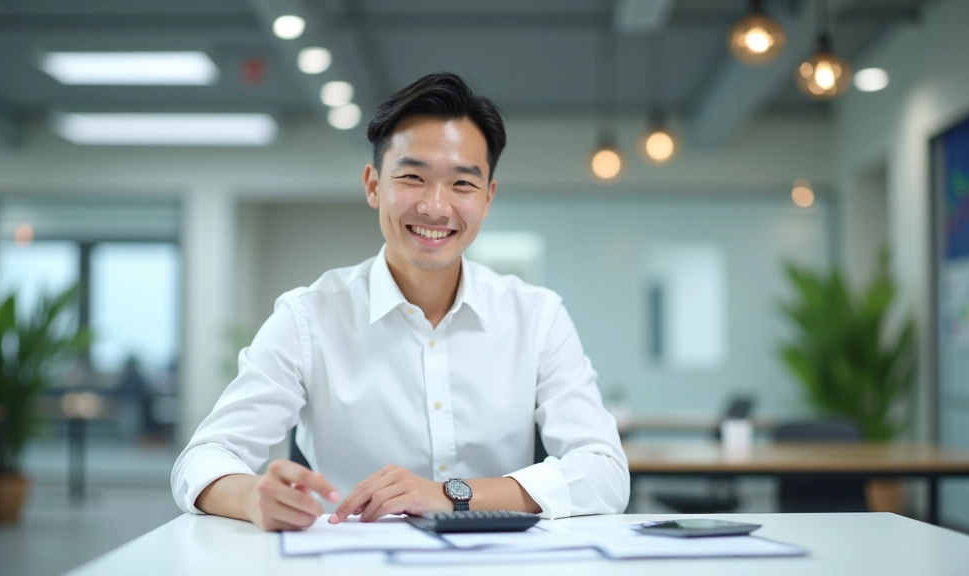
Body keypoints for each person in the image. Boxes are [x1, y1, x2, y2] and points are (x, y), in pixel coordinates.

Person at [171, 72, 629, 531]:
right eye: (413, 177)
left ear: (488, 197)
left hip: (498, 558)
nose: (436, 207)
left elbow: (606, 471)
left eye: (462, 184)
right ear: (373, 185)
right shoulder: (308, 318)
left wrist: (451, 495)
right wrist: (251, 496)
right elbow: (204, 458)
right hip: (352, 558)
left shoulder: (537, 316)